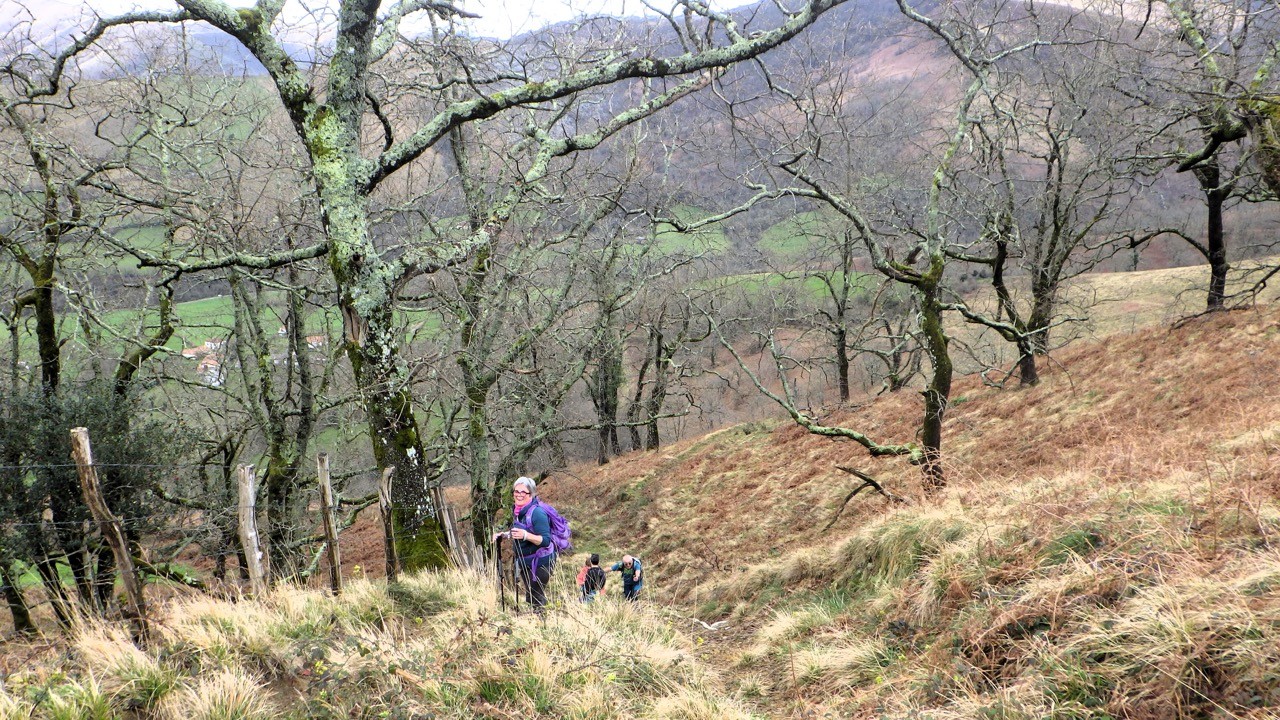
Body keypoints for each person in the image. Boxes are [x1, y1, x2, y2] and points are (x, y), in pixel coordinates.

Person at [492, 476, 557, 611]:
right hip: (526, 562)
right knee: (532, 596)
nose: (519, 495)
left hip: (541, 563)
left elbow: (545, 540)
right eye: (516, 491)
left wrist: (526, 536)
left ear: (531, 494)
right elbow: (519, 531)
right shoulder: (519, 511)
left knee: (535, 596)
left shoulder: (537, 513)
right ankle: (539, 621)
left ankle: (542, 625)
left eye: (523, 492)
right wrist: (504, 535)